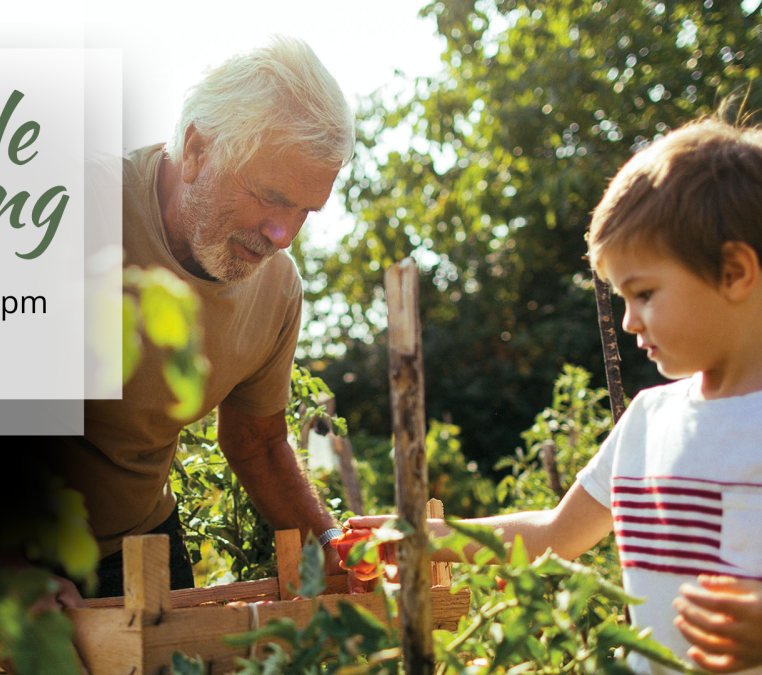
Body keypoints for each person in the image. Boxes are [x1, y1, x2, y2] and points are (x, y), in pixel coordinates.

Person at [351, 118, 762, 675]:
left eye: (644, 293)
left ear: (734, 272)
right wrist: (421, 536)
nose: (629, 321)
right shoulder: (646, 422)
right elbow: (555, 534)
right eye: (621, 297)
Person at [46, 35, 358, 600]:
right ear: (195, 150)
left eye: (304, 211)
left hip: (136, 544)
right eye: (269, 195)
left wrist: (335, 549)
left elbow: (258, 444)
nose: (282, 234)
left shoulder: (277, 291)